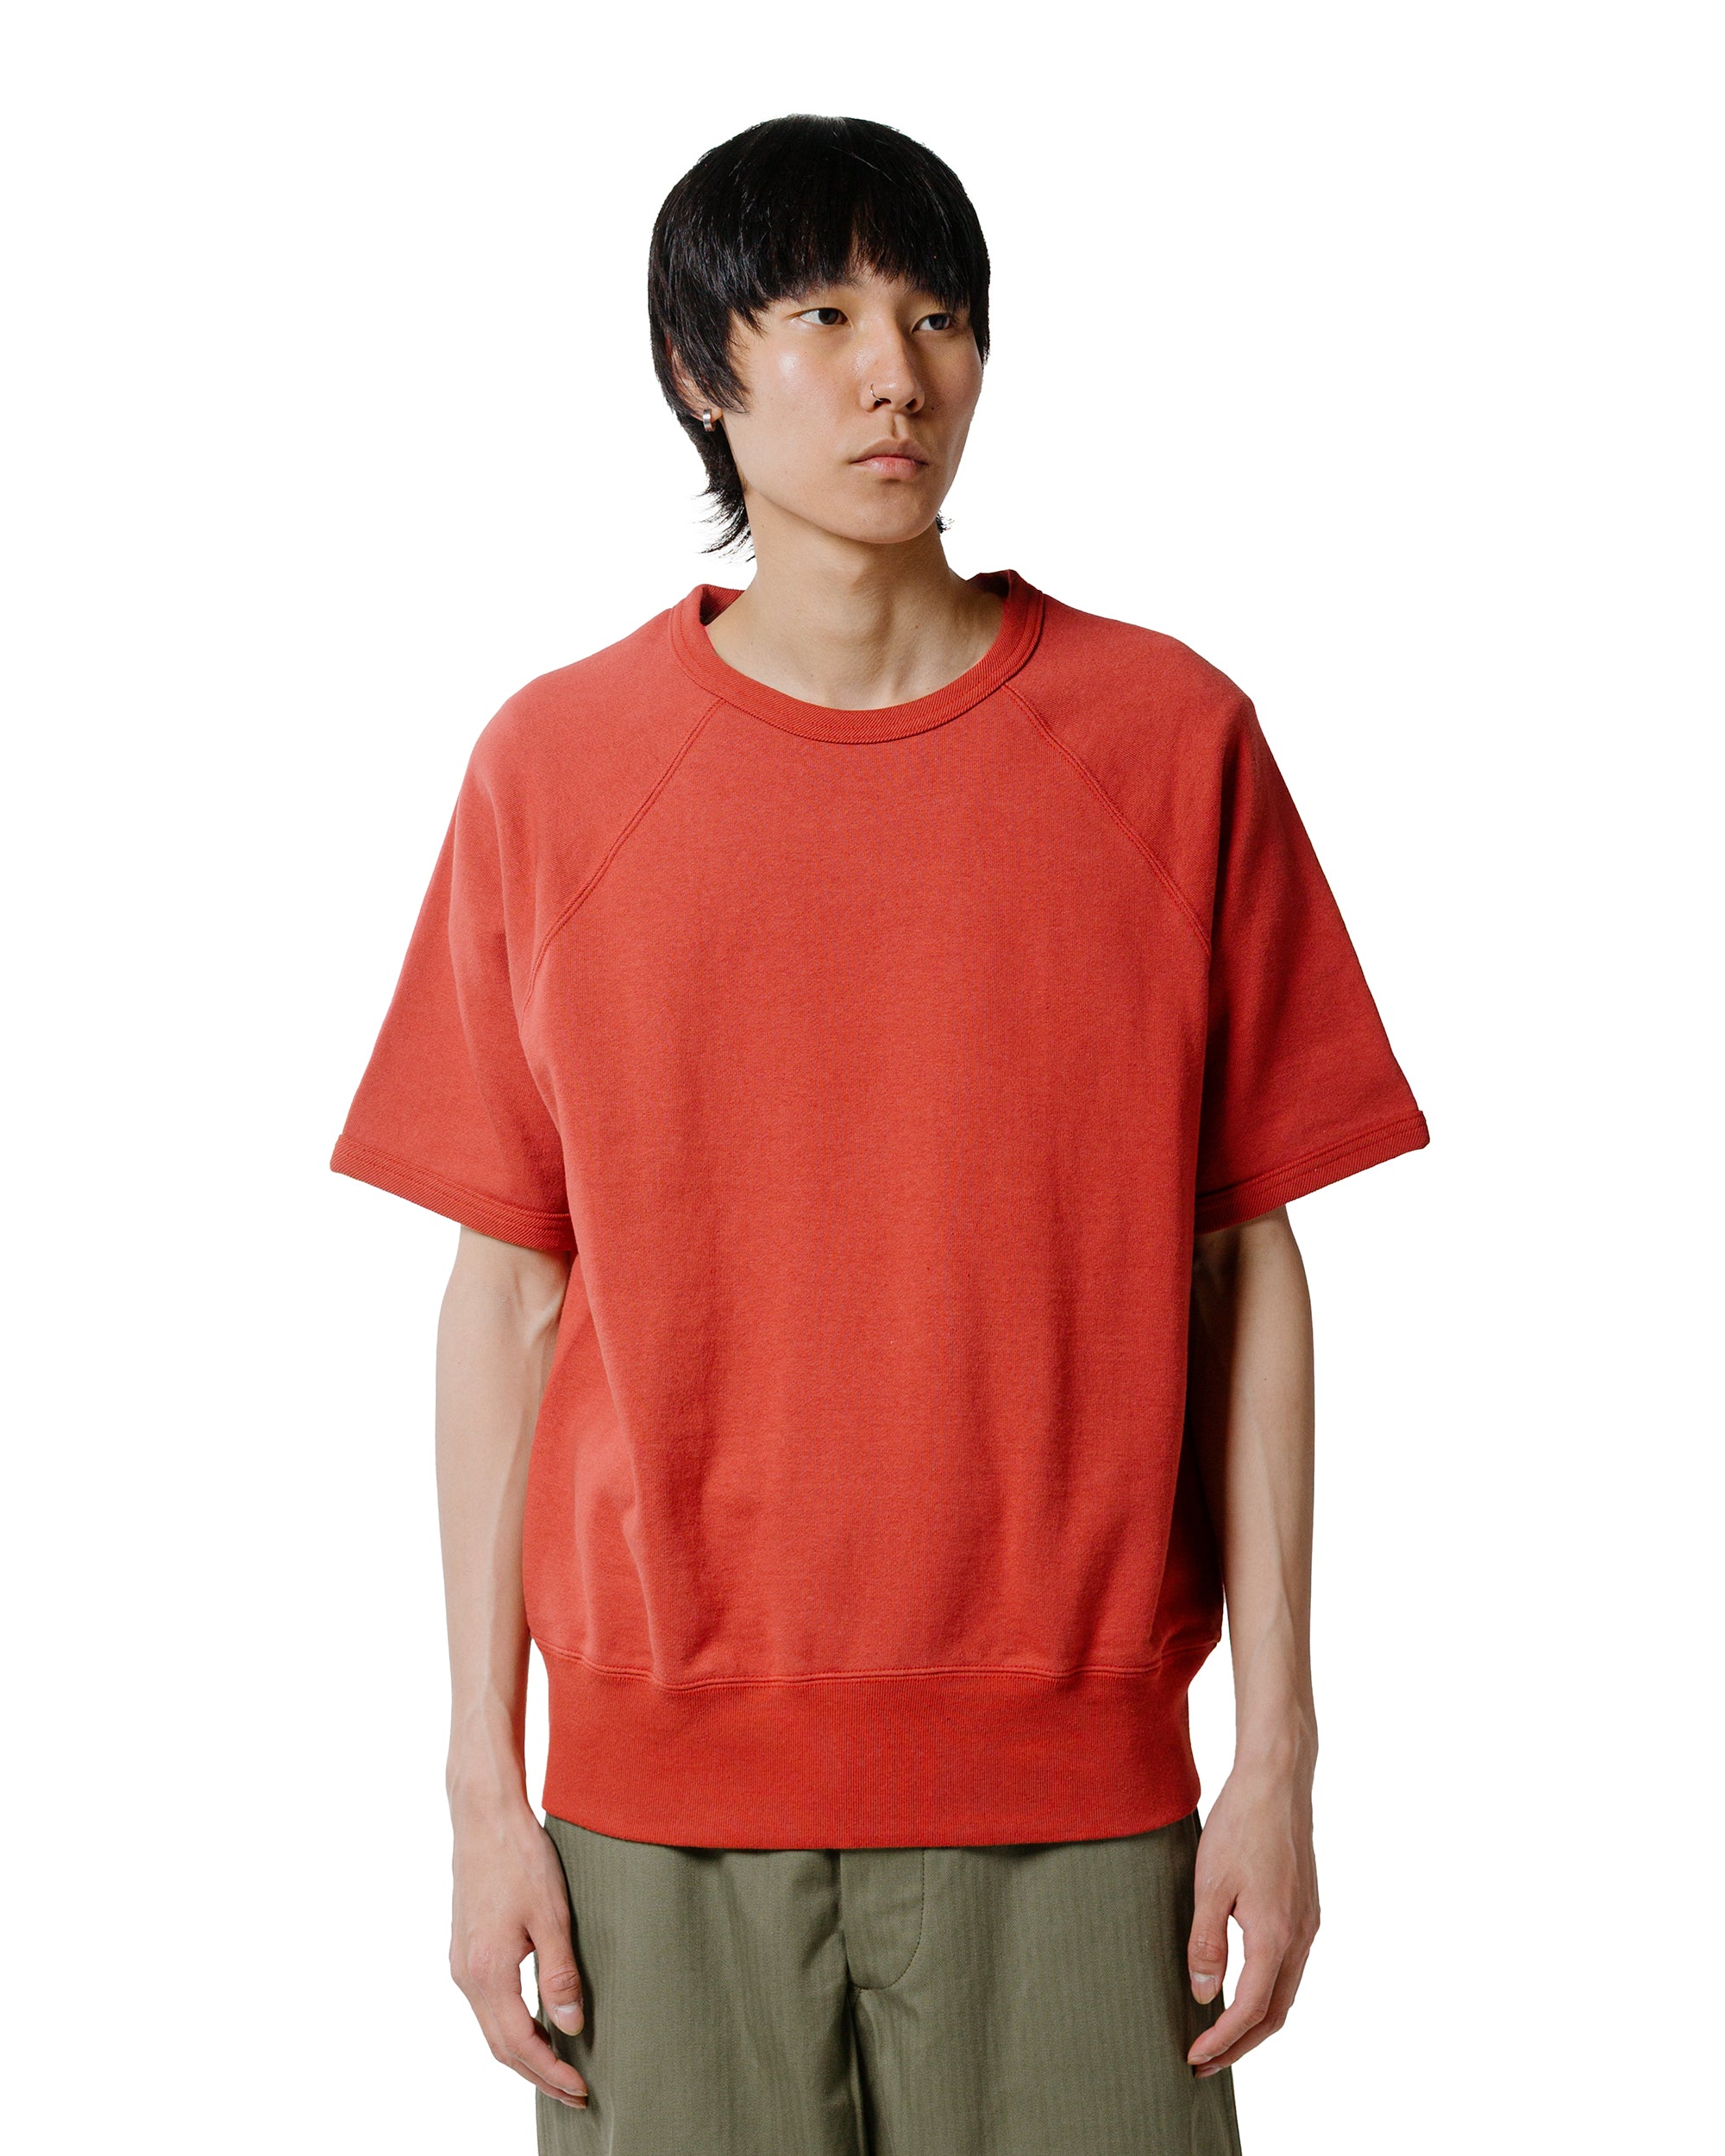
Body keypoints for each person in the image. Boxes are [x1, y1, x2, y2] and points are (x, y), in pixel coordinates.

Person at [329, 112, 1428, 2155]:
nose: (894, 375)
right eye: (821, 317)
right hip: (654, 1818)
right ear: (700, 367)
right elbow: (505, 1295)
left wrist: (1277, 1753)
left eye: (935, 317)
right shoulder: (555, 769)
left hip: (1078, 1799)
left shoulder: (1166, 739)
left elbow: (1246, 1264)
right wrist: (482, 1784)